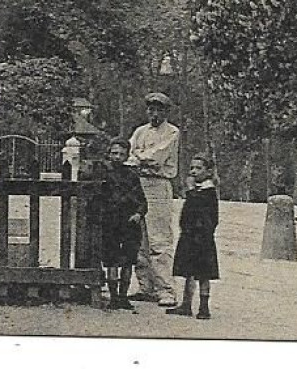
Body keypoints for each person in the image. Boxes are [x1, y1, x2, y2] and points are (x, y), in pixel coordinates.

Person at [127, 91, 181, 306]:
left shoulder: (172, 132)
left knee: (159, 239)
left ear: (166, 111)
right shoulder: (140, 132)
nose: (154, 113)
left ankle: (165, 289)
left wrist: (140, 156)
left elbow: (156, 157)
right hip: (139, 182)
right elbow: (128, 156)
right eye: (151, 108)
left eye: (159, 109)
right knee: (139, 239)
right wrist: (140, 157)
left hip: (158, 185)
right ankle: (145, 286)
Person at [88, 139, 146, 311]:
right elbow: (96, 196)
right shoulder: (103, 173)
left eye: (121, 154)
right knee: (112, 260)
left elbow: (142, 200)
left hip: (129, 223)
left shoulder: (132, 175)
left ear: (127, 156)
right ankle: (113, 296)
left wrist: (138, 213)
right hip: (110, 223)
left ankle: (123, 296)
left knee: (128, 260)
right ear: (108, 153)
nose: (117, 157)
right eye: (114, 153)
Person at [167, 155, 220, 320]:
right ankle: (186, 304)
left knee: (203, 274)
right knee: (189, 272)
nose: (193, 172)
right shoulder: (197, 191)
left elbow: (202, 212)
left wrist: (190, 191)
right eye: (192, 168)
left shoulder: (208, 191)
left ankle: (204, 307)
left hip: (202, 237)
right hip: (189, 236)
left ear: (208, 171)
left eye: (198, 168)